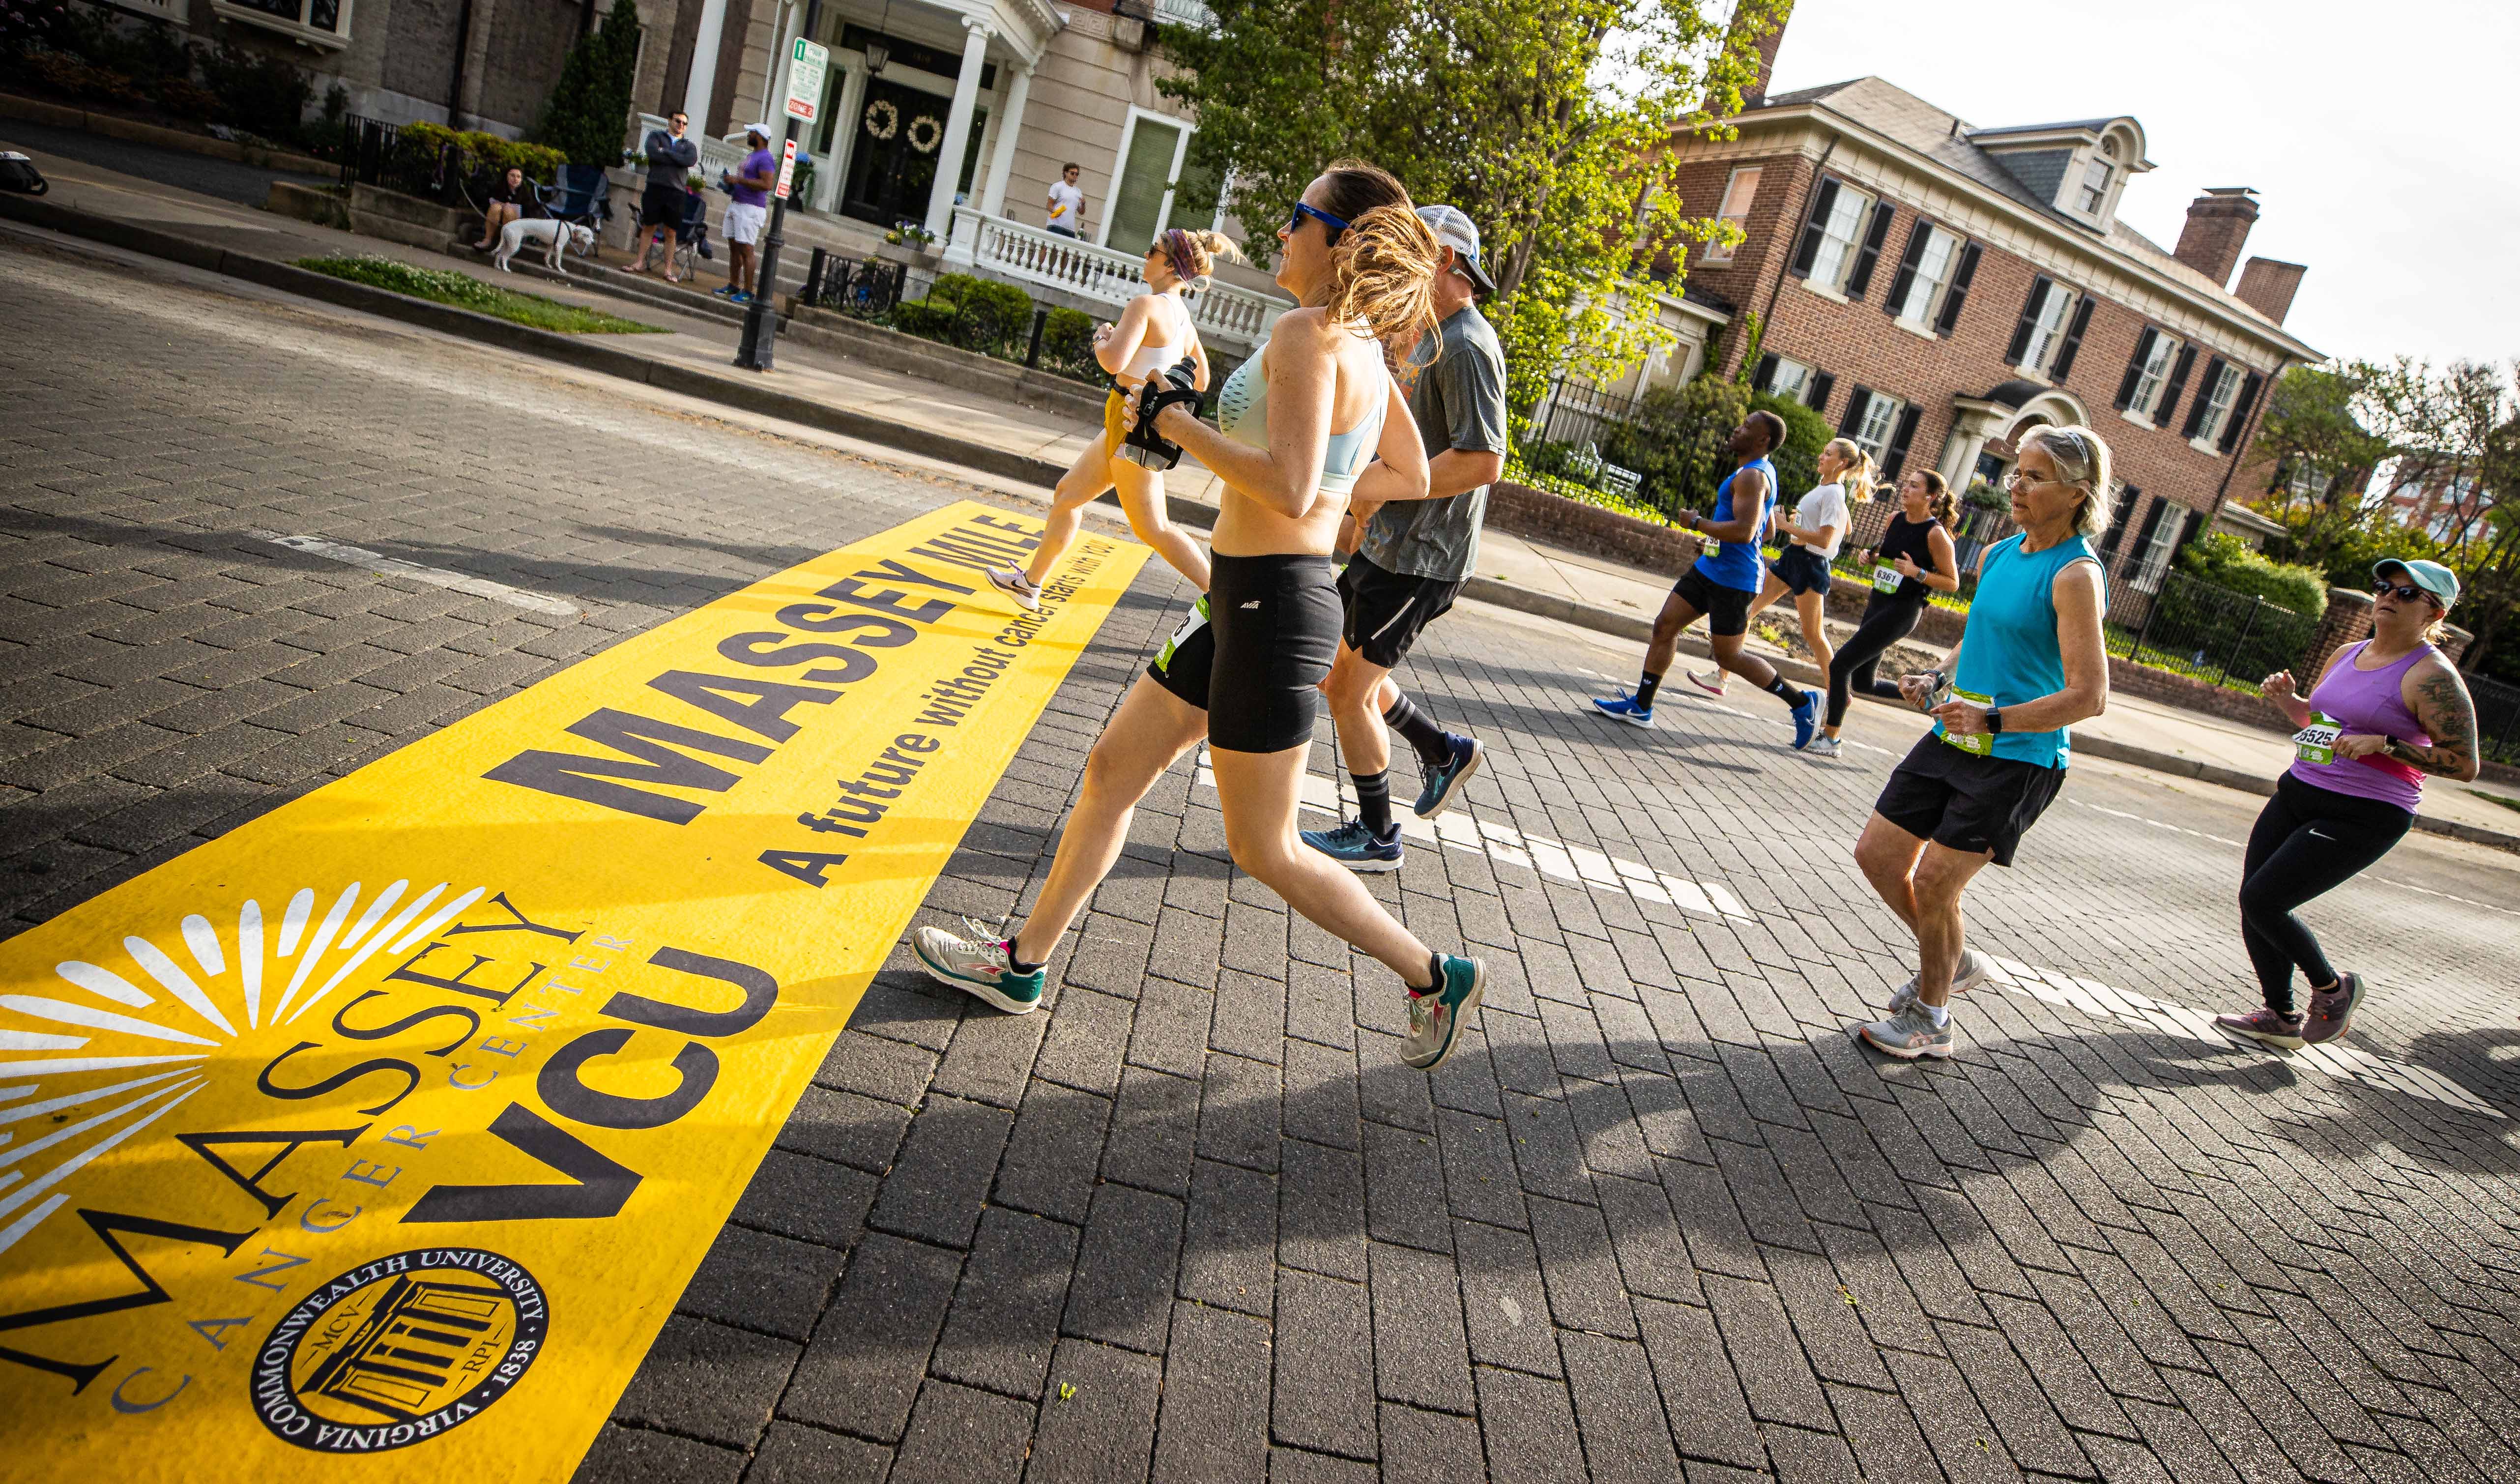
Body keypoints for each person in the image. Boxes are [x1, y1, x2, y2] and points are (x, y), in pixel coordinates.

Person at [913, 161, 1489, 1070]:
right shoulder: (1359, 346)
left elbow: (1290, 485)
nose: (1281, 233)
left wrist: (1178, 426)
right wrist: (1335, 496)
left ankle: (1432, 974)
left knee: (1265, 847)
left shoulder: (1307, 334)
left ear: (1337, 240)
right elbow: (1408, 473)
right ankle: (1020, 964)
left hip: (1272, 608)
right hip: (1243, 596)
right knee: (1112, 770)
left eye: (1296, 215)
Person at [1853, 425, 2113, 1060]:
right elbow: (1980, 636)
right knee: (1878, 855)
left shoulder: (2076, 574)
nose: (2015, 486)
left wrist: (1991, 721)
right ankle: (1954, 959)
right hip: (1954, 737)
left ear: (2077, 493)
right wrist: (1936, 676)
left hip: (2017, 757)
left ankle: (1931, 1018)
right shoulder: (1999, 553)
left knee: (1936, 883)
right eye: (2016, 472)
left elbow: (2089, 696)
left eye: (2034, 477)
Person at [1301, 202, 1506, 872]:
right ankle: (1442, 751)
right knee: (1334, 668)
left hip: (1422, 558)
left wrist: (1376, 488)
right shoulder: (1427, 333)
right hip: (1390, 542)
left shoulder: (1468, 343)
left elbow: (1483, 460)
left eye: (1414, 250)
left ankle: (1377, 832)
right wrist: (1363, 510)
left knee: (1346, 691)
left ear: (1444, 259)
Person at [2212, 558, 2479, 1049]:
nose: (2388, 596)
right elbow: (2325, 723)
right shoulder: (2347, 652)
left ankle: (2334, 989)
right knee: (2254, 899)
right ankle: (2279, 1015)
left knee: (2265, 900)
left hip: (2365, 812)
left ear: (2434, 612)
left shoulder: (2432, 677)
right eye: (2384, 586)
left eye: (2406, 593)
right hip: (2299, 790)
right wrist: (2290, 702)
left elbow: (2464, 764)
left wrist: (2388, 745)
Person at [986, 228, 1235, 607]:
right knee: (1068, 495)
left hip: (1131, 423)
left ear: (1170, 266)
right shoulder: (1181, 316)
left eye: (1153, 250)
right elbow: (1200, 378)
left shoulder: (1145, 305)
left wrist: (1102, 337)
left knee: (1155, 528)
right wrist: (1158, 368)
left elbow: (1113, 361)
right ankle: (1029, 584)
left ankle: (1225, 603)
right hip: (1128, 419)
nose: (1146, 255)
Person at [1590, 411, 1822, 748]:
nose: (1737, 429)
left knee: (1729, 657)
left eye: (1746, 427)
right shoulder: (1754, 470)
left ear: (1763, 440)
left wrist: (1698, 523)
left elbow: (1746, 532)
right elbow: (1767, 530)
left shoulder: (1753, 476)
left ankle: (1801, 703)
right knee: (1665, 626)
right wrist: (1715, 540)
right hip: (1710, 569)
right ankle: (1641, 706)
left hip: (1734, 580)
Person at [1687, 437, 1867, 707]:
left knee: (1814, 634)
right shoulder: (1826, 488)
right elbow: (1847, 527)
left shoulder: (1833, 493)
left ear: (1841, 463)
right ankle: (1721, 677)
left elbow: (1825, 540)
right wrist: (1802, 522)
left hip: (1811, 566)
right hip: (1792, 558)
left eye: (1828, 454)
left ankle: (1839, 693)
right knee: (1748, 611)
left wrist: (1786, 525)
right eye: (1823, 451)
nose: (1821, 456)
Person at [1805, 467, 1961, 759]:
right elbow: (1888, 558)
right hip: (1879, 602)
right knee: (1864, 682)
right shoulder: (1895, 519)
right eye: (1907, 484)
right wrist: (1871, 557)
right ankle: (1927, 698)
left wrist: (1918, 573)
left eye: (1914, 486)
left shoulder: (1936, 534)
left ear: (1930, 497)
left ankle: (1831, 738)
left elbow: (1952, 582)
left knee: (1841, 665)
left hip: (1903, 610)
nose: (1906, 489)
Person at [633, 111, 699, 283]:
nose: (681, 125)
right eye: (678, 121)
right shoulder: (656, 136)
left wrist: (666, 153)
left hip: (676, 193)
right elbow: (653, 154)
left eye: (685, 123)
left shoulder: (689, 145)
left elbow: (689, 161)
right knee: (649, 226)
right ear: (669, 121)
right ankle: (639, 263)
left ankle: (668, 270)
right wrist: (676, 158)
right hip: (655, 187)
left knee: (671, 232)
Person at [718, 124, 776, 303]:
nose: (749, 135)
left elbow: (767, 185)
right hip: (737, 203)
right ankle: (734, 284)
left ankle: (748, 291)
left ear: (760, 136)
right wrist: (732, 182)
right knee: (734, 247)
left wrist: (739, 180)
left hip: (751, 208)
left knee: (746, 250)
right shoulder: (752, 156)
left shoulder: (765, 158)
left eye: (752, 133)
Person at [473, 165, 544, 251]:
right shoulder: (498, 188)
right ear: (506, 176)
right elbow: (485, 205)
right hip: (496, 223)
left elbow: (530, 214)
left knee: (508, 210)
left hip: (515, 227)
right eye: (512, 176)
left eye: (518, 177)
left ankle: (506, 245)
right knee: (495, 207)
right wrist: (501, 205)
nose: (515, 179)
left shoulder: (525, 194)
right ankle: (487, 241)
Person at [1045, 164, 1086, 238]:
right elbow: (1049, 205)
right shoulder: (1058, 186)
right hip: (1056, 226)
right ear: (1066, 173)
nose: (1075, 176)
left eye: (1077, 174)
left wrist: (1083, 204)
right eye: (1072, 173)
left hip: (1070, 230)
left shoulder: (1078, 191)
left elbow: (1081, 212)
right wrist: (1055, 212)